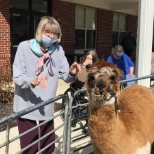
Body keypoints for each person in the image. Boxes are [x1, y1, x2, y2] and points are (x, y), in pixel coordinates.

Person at [13, 16, 81, 154]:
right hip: (26, 105)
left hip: (46, 105)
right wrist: (31, 81)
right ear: (40, 31)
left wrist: (72, 73)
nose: (51, 36)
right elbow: (17, 76)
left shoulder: (58, 50)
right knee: (29, 149)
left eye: (55, 33)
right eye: (48, 32)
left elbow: (66, 77)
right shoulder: (24, 47)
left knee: (48, 148)